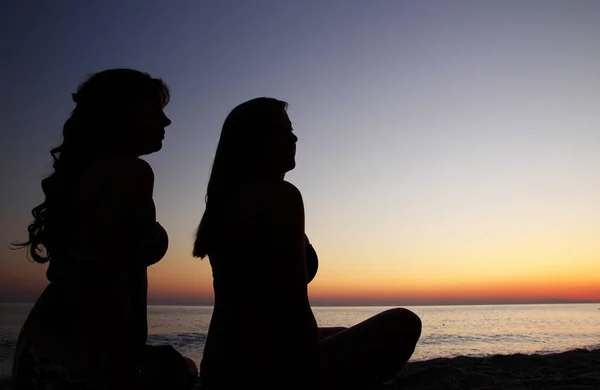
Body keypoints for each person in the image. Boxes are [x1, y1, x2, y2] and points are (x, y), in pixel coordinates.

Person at [193, 97, 422, 390]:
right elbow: (293, 302)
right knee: (403, 322)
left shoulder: (227, 202)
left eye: (292, 129)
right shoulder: (280, 196)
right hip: (267, 370)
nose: (294, 137)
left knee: (341, 332)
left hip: (221, 364)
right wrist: (311, 365)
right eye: (282, 130)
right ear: (255, 140)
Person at [11, 69, 197, 390]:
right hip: (86, 354)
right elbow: (114, 280)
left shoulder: (81, 177)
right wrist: (130, 358)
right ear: (119, 113)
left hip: (42, 346)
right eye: (155, 110)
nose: (165, 123)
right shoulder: (132, 173)